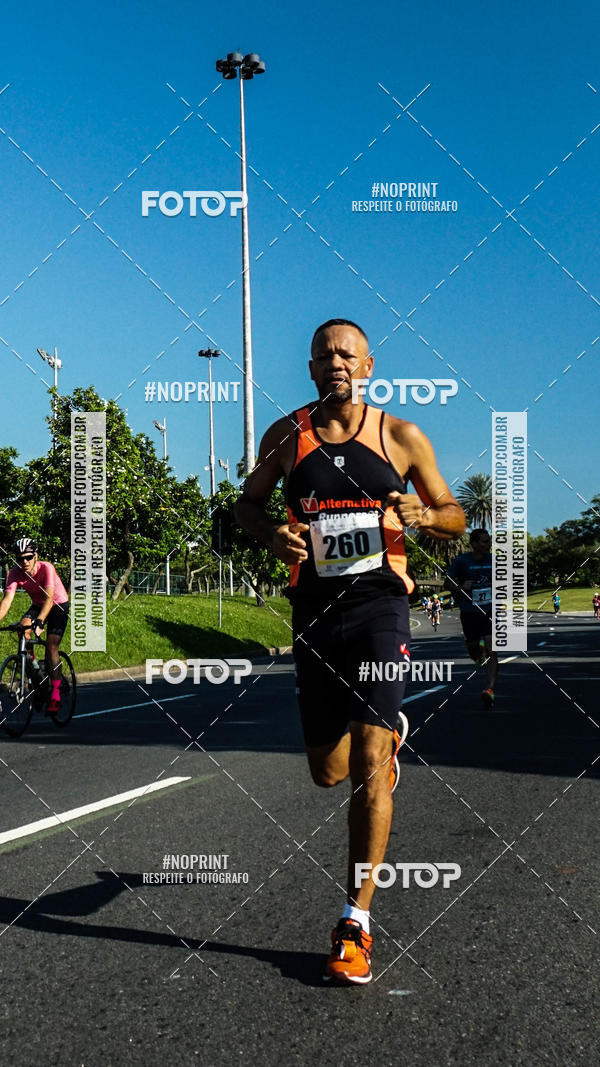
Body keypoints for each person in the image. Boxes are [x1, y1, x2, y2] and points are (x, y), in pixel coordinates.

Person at [235, 318, 465, 984]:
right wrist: (273, 533)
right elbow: (246, 506)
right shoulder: (287, 434)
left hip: (380, 607)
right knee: (328, 771)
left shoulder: (399, 436)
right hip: (314, 611)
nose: (336, 361)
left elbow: (453, 510)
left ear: (368, 366)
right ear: (310, 369)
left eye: (348, 353)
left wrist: (426, 516)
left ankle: (354, 922)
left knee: (367, 756)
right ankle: (381, 743)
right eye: (324, 354)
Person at [0, 538, 69, 714]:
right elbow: (7, 601)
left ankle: (55, 694)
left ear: (35, 556)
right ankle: (35, 673)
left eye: (28, 557)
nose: (24, 561)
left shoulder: (47, 568)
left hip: (57, 604)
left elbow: (49, 597)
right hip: (38, 605)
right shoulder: (15, 573)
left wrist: (40, 621)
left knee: (52, 644)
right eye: (20, 558)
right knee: (23, 630)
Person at [446, 528, 496, 708]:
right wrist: (461, 587)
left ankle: (489, 689)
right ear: (474, 543)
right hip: (469, 612)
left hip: (490, 611)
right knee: (474, 650)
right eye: (483, 541)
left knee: (493, 649)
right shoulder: (462, 561)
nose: (487, 544)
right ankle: (478, 654)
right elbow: (447, 582)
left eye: (488, 541)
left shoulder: (494, 560)